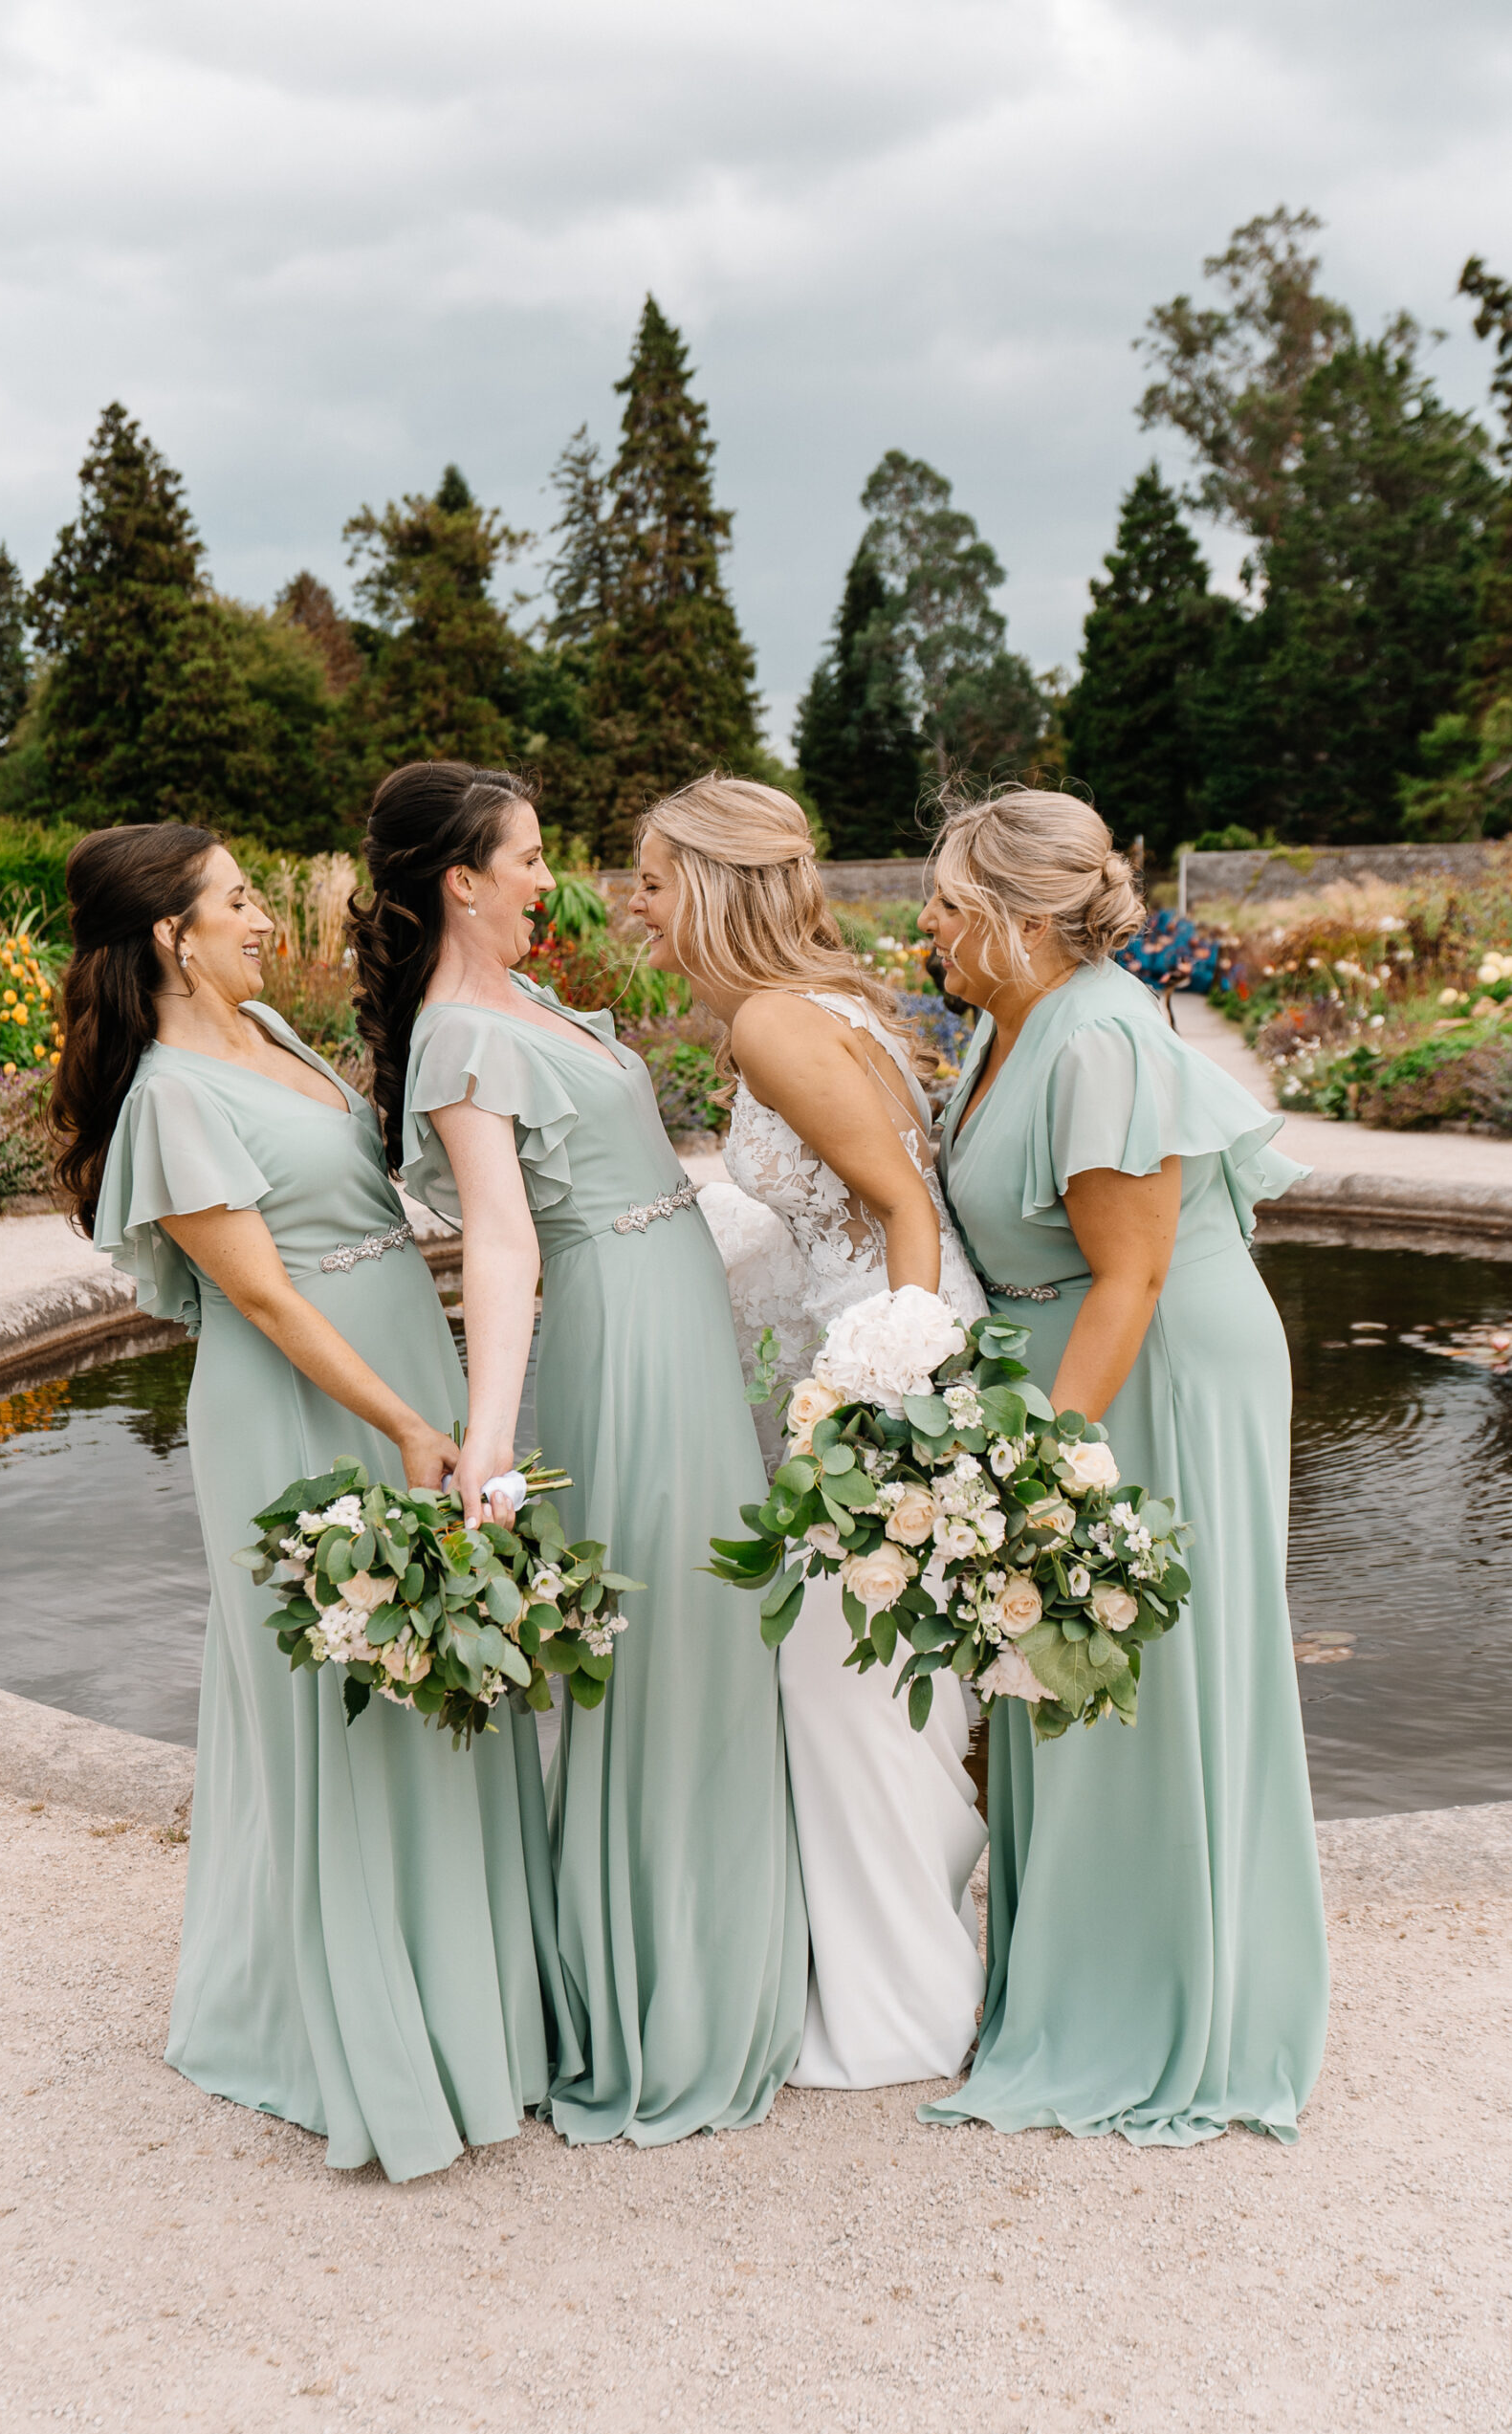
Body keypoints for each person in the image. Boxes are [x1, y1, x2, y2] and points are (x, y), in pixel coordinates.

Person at [50, 822, 572, 2182]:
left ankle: (484, 2007)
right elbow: (265, 1296)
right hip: (308, 1408)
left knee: (448, 1668)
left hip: (398, 1354)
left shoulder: (272, 1023)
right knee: (352, 1693)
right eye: (237, 900)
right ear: (171, 933)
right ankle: (367, 2027)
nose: (266, 915)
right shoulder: (167, 1095)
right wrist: (403, 1419)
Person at [346, 759, 806, 2146]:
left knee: (715, 1638)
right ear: (461, 882)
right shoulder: (454, 1038)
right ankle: (660, 2004)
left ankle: (726, 1962)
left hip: (678, 1307)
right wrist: (490, 1440)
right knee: (678, 1651)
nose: (558, 881)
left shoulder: (523, 999)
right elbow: (499, 1239)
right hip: (625, 1338)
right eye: (532, 859)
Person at [916, 786, 1328, 2144]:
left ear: (1021, 916)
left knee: (1136, 1670)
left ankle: (1166, 2005)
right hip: (1077, 1361)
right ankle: (1073, 1971)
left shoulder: (1098, 1037)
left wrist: (1042, 1470)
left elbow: (1134, 1272)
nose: (924, 923)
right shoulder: (997, 1020)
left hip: (1150, 1369)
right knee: (1067, 1674)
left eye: (948, 903)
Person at [629, 775, 989, 2091]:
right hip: (871, 1349)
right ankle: (899, 1975)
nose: (637, 907)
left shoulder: (777, 1023)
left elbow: (905, 1207)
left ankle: (902, 2011)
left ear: (717, 889)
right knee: (872, 1683)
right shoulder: (822, 1001)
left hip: (879, 1369)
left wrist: (880, 1400)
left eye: (657, 883)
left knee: (840, 1687)